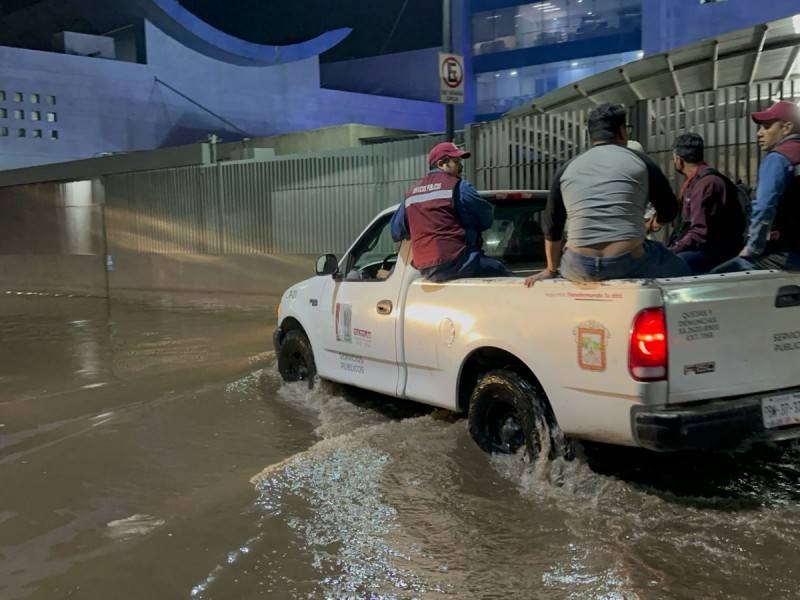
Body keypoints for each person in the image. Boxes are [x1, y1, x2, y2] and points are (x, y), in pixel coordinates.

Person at [525, 103, 690, 286]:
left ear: (592, 136)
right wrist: (652, 224)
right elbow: (669, 210)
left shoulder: (567, 168)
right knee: (683, 271)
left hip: (578, 265)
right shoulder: (641, 161)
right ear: (621, 131)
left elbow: (552, 227)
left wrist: (550, 269)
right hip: (628, 260)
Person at [390, 141, 513, 282]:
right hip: (458, 262)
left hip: (425, 269)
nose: (461, 166)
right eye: (456, 161)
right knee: (511, 281)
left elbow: (396, 231)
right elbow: (486, 220)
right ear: (442, 163)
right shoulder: (460, 187)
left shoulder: (411, 195)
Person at [712, 101, 800, 273]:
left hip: (786, 252)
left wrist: (753, 248)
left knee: (717, 280)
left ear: (787, 127)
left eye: (766, 126)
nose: (759, 133)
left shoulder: (779, 158)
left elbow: (764, 207)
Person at [668, 133, 746, 274]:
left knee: (669, 266)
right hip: (705, 247)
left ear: (679, 160)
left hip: (714, 251)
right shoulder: (696, 182)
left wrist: (673, 250)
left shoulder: (705, 184)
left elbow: (699, 232)